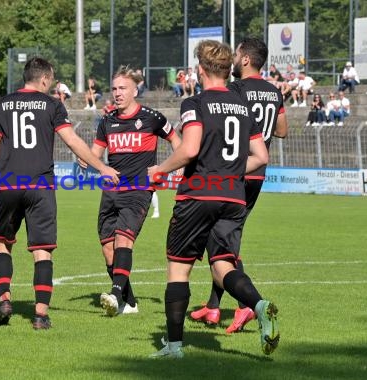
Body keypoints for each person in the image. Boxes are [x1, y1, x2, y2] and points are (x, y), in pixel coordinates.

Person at [148, 40, 278, 358]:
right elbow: (260, 156)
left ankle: (175, 347)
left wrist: (161, 169)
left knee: (179, 269)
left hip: (199, 193)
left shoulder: (195, 103)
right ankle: (259, 306)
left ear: (200, 69)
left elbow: (190, 148)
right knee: (223, 264)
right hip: (233, 196)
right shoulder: (242, 105)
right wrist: (232, 169)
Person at [0, 57, 119, 329]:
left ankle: (6, 300)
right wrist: (101, 167)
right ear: (44, 79)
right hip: (41, 187)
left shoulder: (3, 103)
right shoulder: (52, 104)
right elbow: (72, 140)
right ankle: (41, 315)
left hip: (9, 184)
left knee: (3, 243)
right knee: (42, 250)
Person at [188, 37, 288, 335]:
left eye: (237, 54)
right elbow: (281, 131)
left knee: (220, 243)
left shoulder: (234, 90)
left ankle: (246, 305)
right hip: (258, 171)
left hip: (232, 172)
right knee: (223, 239)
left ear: (244, 59)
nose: (233, 59)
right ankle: (214, 306)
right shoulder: (274, 91)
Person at [81, 65, 181, 317]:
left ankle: (115, 295)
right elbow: (95, 155)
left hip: (138, 190)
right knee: (107, 247)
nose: (117, 93)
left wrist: (167, 168)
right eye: (114, 88)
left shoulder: (152, 117)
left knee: (124, 239)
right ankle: (130, 301)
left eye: (122, 88)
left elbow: (178, 143)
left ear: (135, 90)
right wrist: (88, 160)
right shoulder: (107, 121)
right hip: (111, 190)